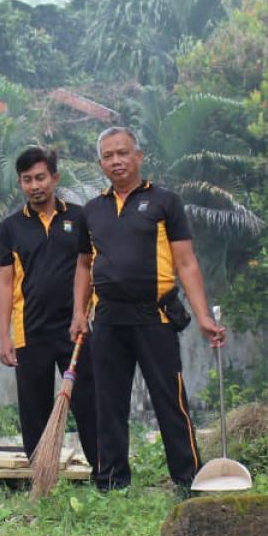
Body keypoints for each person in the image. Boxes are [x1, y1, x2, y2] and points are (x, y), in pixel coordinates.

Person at [71, 126, 225, 490]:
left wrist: (203, 316)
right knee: (108, 404)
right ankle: (111, 482)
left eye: (123, 153)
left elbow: (186, 263)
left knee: (170, 400)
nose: (116, 161)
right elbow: (83, 265)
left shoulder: (164, 202)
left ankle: (189, 480)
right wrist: (79, 312)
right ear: (100, 164)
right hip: (107, 318)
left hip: (154, 316)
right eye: (108, 156)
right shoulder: (91, 211)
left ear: (138, 156)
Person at [0, 146, 98, 474]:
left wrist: (89, 313)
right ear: (20, 184)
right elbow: (5, 284)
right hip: (30, 331)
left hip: (76, 329)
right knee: (34, 409)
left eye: (40, 177)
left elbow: (91, 266)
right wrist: (3, 336)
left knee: (89, 403)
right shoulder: (9, 228)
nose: (35, 185)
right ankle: (41, 475)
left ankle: (104, 473)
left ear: (55, 178)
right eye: (27, 180)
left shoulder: (79, 218)